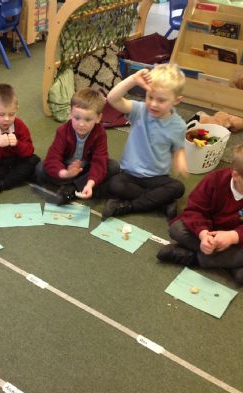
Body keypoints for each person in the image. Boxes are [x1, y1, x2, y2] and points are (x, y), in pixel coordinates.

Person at [102, 63, 188, 221]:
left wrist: (180, 158)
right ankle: (161, 203)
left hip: (157, 177)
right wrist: (133, 80)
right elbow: (112, 99)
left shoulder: (179, 125)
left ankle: (128, 206)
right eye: (150, 97)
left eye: (161, 100)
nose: (153, 104)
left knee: (178, 188)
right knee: (115, 184)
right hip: (130, 174)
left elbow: (178, 147)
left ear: (176, 100)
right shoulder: (139, 110)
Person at [157, 144, 243, 285]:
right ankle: (229, 263)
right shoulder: (215, 180)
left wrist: (233, 236)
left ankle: (192, 258)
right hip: (209, 229)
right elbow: (194, 210)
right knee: (177, 229)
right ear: (236, 175)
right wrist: (203, 234)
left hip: (237, 238)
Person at [36, 87, 119, 205]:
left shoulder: (100, 133)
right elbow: (53, 157)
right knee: (40, 168)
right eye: (77, 118)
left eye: (88, 120)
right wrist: (65, 173)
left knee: (113, 166)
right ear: (71, 114)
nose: (81, 124)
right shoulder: (63, 131)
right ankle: (76, 185)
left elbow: (99, 160)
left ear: (98, 118)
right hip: (66, 167)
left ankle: (72, 187)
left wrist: (90, 183)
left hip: (86, 169)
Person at [0, 83, 40, 198]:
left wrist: (17, 144)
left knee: (34, 160)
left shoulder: (19, 125)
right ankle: (18, 177)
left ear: (16, 110)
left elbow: (29, 150)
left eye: (11, 114)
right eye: (1, 114)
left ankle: (0, 185)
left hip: (16, 160)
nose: (7, 119)